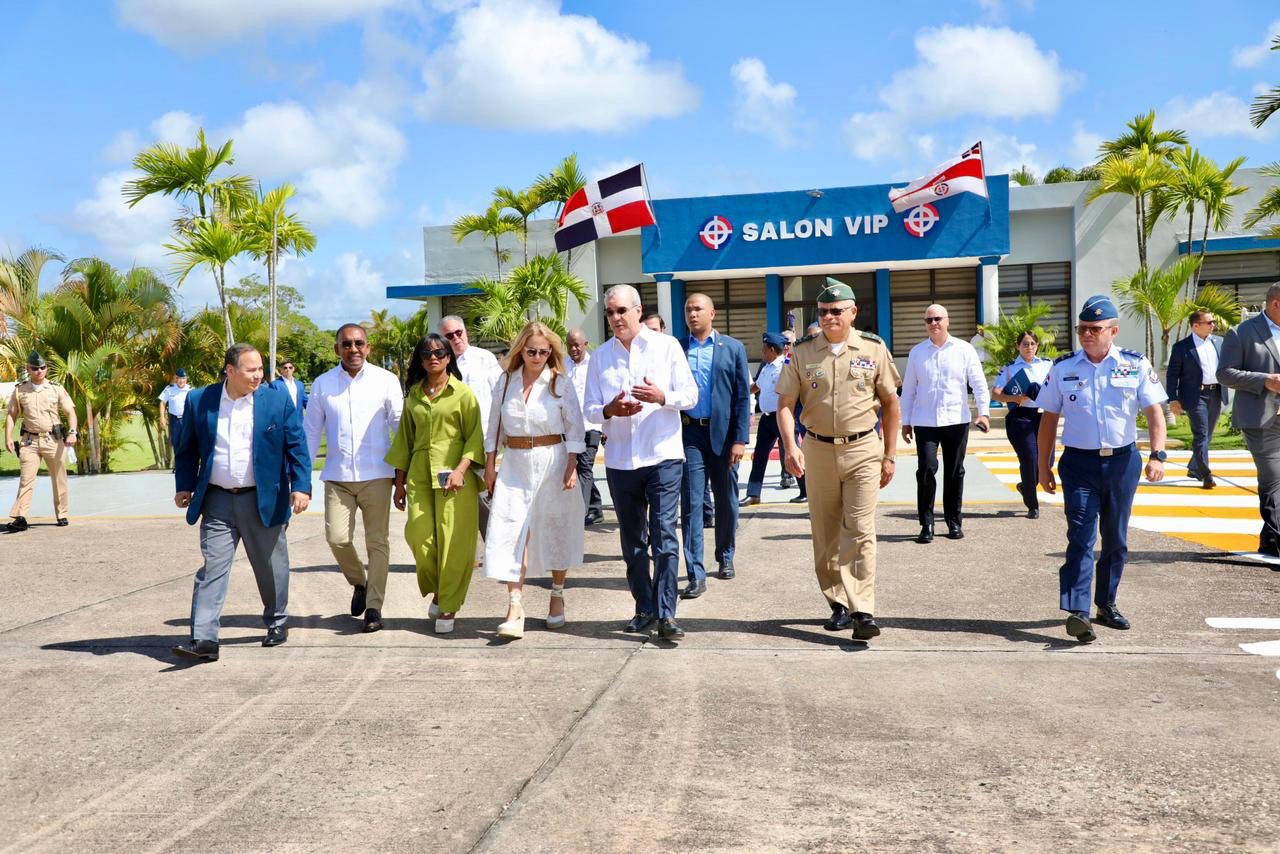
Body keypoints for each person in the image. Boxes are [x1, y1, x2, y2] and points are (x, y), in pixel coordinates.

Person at [1037, 295, 1168, 643]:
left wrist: (1158, 455)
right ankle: (1078, 611)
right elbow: (1048, 420)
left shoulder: (1134, 364)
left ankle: (1106, 604)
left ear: (1113, 330)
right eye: (1082, 329)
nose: (1087, 335)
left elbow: (1155, 412)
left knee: (1116, 538)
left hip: (1123, 462)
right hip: (1079, 463)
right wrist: (1042, 466)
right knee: (1080, 536)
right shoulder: (1063, 368)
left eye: (1095, 329)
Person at [170, 344, 312, 662]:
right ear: (230, 371)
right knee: (213, 568)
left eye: (260, 369)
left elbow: (296, 444)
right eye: (251, 370)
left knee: (271, 567)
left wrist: (301, 487)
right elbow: (187, 447)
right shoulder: (200, 400)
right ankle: (205, 638)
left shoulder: (276, 400)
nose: (258, 376)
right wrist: (184, 485)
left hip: (264, 496)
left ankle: (277, 622)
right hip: (217, 499)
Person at [777, 282, 900, 640]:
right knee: (826, 532)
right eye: (824, 312)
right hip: (817, 449)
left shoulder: (874, 348)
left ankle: (863, 609)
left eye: (837, 311)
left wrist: (890, 455)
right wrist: (790, 445)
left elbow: (891, 404)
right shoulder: (802, 352)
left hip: (863, 449)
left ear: (853, 313)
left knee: (860, 530)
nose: (829, 317)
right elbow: (785, 404)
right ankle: (838, 603)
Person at [584, 285, 698, 640]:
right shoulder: (600, 356)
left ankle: (666, 614)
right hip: (620, 460)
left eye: (621, 311)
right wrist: (609, 410)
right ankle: (644, 608)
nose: (616, 319)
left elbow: (691, 396)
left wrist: (663, 397)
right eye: (610, 313)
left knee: (665, 537)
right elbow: (587, 409)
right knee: (633, 542)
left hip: (662, 455)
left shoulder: (667, 347)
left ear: (637, 310)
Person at [482, 322, 586, 640]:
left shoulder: (559, 383)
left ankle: (557, 593)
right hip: (514, 463)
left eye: (543, 351)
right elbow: (493, 426)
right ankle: (515, 607)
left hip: (552, 460)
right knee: (511, 530)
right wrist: (490, 465)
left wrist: (571, 465)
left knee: (556, 528)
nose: (537, 356)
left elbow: (576, 429)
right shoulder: (505, 382)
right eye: (531, 351)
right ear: (521, 350)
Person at [304, 323, 404, 633]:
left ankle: (374, 607)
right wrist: (302, 478)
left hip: (377, 474)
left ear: (368, 347)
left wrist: (403, 475)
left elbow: (399, 427)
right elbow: (310, 431)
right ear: (337, 349)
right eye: (346, 344)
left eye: (359, 343)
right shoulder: (322, 384)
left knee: (378, 543)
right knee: (337, 538)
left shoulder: (386, 381)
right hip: (337, 476)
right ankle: (359, 582)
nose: (353, 349)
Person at [386, 333, 485, 633]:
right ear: (420, 358)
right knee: (419, 537)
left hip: (456, 479)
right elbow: (404, 441)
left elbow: (475, 438)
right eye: (427, 353)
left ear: (449, 357)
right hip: (418, 476)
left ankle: (448, 606)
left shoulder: (463, 394)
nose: (434, 357)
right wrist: (399, 483)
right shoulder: (414, 394)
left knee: (455, 543)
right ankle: (440, 588)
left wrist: (461, 470)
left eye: (440, 352)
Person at [678, 293, 750, 599]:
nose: (692, 314)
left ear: (712, 313)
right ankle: (695, 572)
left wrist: (740, 439)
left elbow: (742, 397)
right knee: (692, 503)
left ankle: (725, 555)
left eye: (698, 309)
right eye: (688, 310)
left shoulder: (732, 349)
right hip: (689, 434)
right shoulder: (677, 349)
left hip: (722, 436)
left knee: (726, 500)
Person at [899, 304, 990, 543]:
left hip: (956, 420)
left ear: (947, 321)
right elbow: (908, 390)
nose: (933, 323)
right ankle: (926, 524)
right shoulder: (917, 352)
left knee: (954, 472)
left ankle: (953, 522)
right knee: (927, 471)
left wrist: (984, 412)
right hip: (925, 421)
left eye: (937, 319)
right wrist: (905, 421)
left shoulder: (964, 349)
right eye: (928, 320)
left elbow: (978, 383)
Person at [1218, 283, 1280, 559]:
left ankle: (1269, 538)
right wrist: (1263, 380)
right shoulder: (1242, 332)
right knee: (1273, 477)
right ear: (1275, 304)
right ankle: (1277, 538)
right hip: (1260, 418)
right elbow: (1225, 374)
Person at [641, 308, 714, 525]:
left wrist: (663, 397)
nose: (650, 335)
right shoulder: (636, 358)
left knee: (706, 486)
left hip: (697, 428)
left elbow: (689, 394)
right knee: (690, 486)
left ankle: (707, 515)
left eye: (654, 330)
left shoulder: (673, 350)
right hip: (676, 432)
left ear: (663, 329)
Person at [439, 315, 501, 536]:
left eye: (459, 332)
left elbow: (499, 398)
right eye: (449, 335)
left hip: (484, 442)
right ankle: (467, 553)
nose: (456, 338)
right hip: (452, 445)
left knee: (490, 495)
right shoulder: (440, 365)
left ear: (466, 332)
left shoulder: (484, 359)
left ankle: (497, 547)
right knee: (460, 498)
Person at [3, 352, 78, 532]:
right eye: (35, 368)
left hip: (53, 440)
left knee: (59, 478)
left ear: (47, 369)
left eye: (42, 368)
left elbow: (70, 412)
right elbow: (12, 415)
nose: (39, 371)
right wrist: (8, 437)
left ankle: (62, 514)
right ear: (28, 369)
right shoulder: (20, 390)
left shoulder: (56, 388)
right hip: (29, 441)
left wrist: (73, 432)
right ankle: (20, 517)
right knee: (26, 479)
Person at [992, 330, 1054, 518]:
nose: (1028, 347)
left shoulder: (1048, 365)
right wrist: (1014, 398)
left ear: (1037, 346)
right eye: (1025, 344)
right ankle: (1032, 505)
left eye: (1032, 344)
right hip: (1020, 417)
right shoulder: (1010, 368)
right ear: (1018, 346)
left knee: (1047, 461)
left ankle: (1025, 486)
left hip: (1043, 416)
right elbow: (996, 393)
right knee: (1029, 459)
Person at [1167, 311, 1227, 490]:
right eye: (1209, 322)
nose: (1213, 325)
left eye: (1213, 322)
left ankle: (1194, 467)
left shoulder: (1219, 342)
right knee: (1201, 434)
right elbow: (1172, 376)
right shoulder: (1182, 347)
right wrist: (1173, 399)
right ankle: (1205, 474)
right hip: (1195, 396)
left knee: (1207, 434)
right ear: (1195, 326)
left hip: (1216, 393)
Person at [742, 332, 789, 506]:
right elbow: (756, 387)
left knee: (792, 454)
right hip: (767, 419)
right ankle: (754, 494)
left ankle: (806, 491)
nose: (761, 351)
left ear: (771, 349)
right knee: (759, 456)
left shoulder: (786, 366)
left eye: (763, 348)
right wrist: (737, 393)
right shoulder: (767, 367)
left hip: (781, 416)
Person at [566, 328, 604, 525]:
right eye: (570, 345)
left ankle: (578, 512)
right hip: (571, 429)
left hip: (592, 425)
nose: (573, 349)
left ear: (585, 344)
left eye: (577, 345)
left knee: (585, 467)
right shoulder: (563, 366)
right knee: (582, 467)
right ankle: (596, 508)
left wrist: (605, 425)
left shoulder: (595, 364)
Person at [158, 368, 191, 463]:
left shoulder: (190, 389)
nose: (181, 381)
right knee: (176, 442)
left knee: (187, 442)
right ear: (176, 379)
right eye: (179, 378)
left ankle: (187, 464)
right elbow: (162, 403)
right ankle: (179, 464)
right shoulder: (169, 389)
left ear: (186, 379)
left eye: (183, 378)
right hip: (174, 420)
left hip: (187, 420)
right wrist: (162, 417)